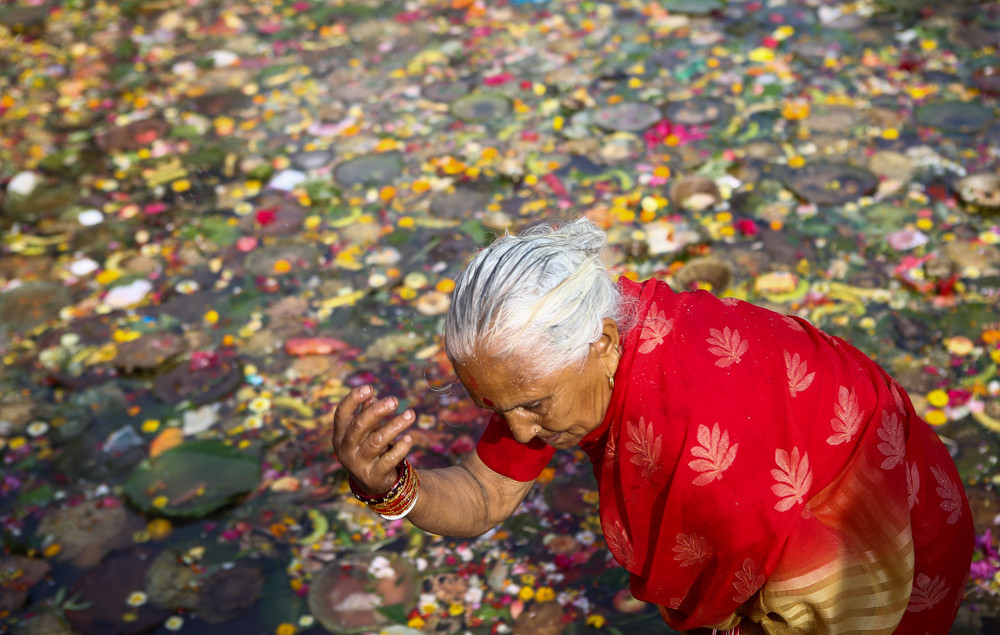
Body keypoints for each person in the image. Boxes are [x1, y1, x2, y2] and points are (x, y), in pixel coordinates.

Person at [332, 218, 974, 634]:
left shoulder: (691, 434)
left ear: (605, 342)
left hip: (881, 518)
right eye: (497, 408)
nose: (521, 432)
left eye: (532, 407)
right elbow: (486, 492)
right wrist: (394, 488)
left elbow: (734, 589)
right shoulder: (546, 361)